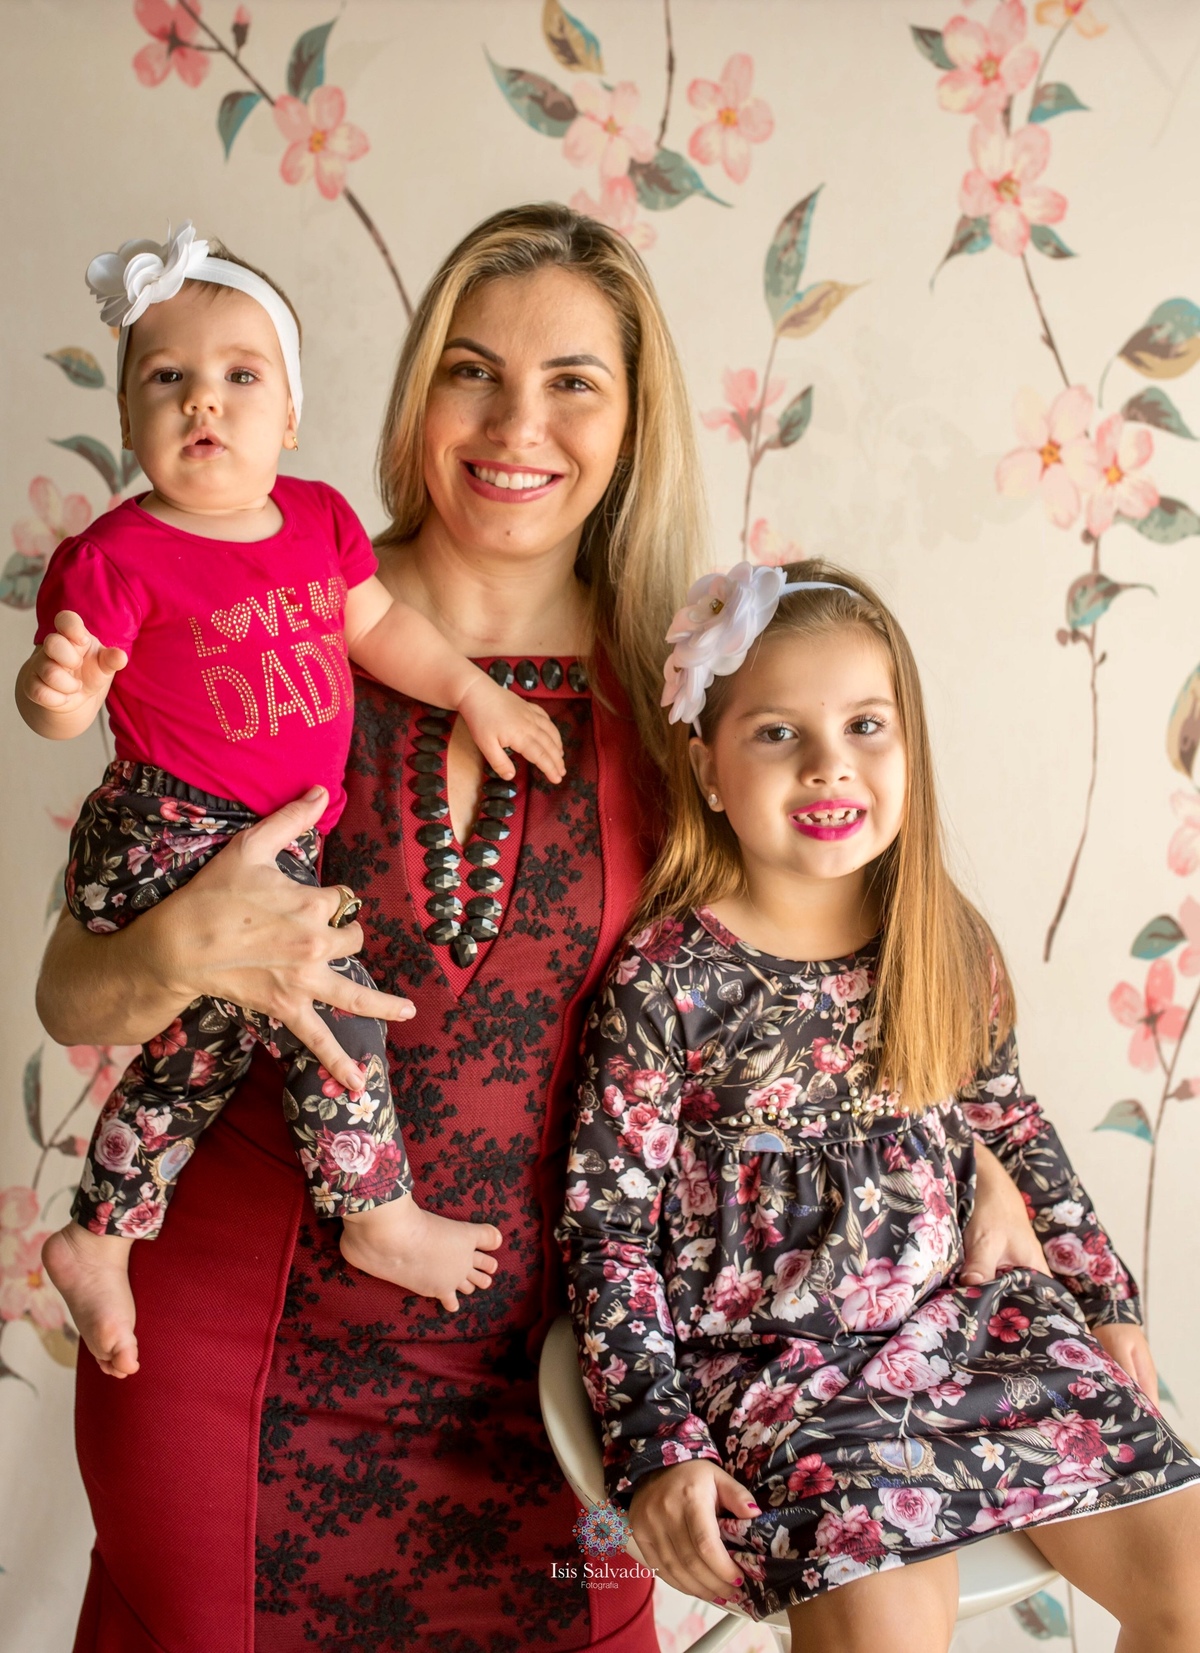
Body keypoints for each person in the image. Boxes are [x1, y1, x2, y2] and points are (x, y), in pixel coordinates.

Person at [558, 558, 1200, 1649]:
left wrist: (1105, 1297)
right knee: (888, 1634)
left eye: (865, 725)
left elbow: (1012, 1127)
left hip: (976, 1334)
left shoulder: (942, 940)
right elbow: (607, 1232)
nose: (829, 764)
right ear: (707, 767)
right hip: (784, 1373)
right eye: (777, 733)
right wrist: (657, 1441)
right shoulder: (669, 979)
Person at [21, 222, 566, 1379]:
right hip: (166, 830)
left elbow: (382, 629)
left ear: (291, 417)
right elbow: (70, 700)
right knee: (330, 993)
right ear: (126, 417)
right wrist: (57, 692)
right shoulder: (118, 556)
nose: (201, 400)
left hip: (268, 847)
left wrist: (474, 692)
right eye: (165, 378)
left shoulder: (318, 522)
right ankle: (374, 1208)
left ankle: (99, 1234)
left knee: (199, 1055)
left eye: (239, 375)